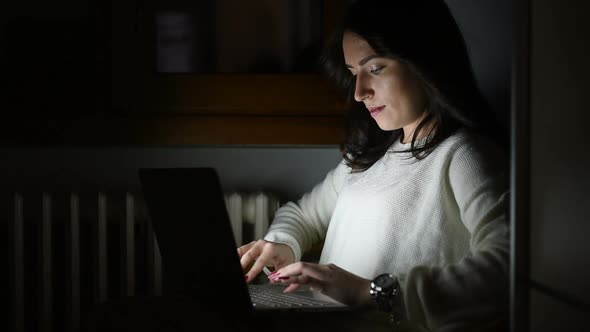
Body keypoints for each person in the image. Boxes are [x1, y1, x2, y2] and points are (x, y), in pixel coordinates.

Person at [238, 0, 510, 331]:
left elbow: (508, 266)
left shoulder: (462, 155)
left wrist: (371, 292)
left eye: (375, 69)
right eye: (354, 73)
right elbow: (301, 214)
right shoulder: (369, 159)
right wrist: (283, 243)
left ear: (424, 61)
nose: (359, 92)